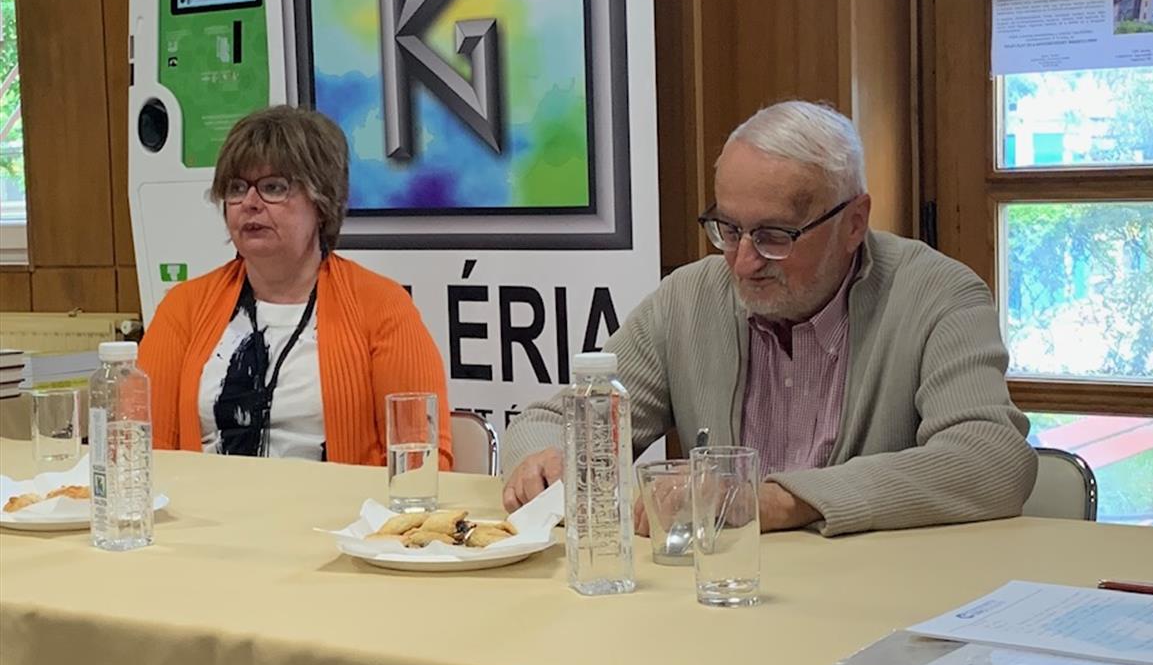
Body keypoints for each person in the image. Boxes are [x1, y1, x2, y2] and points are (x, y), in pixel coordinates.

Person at [503, 101, 1036, 534]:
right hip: (720, 597)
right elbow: (546, 421)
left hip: (872, 602)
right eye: (728, 229)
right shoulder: (689, 299)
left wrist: (778, 501)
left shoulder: (937, 296)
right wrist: (547, 460)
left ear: (854, 223)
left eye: (774, 236)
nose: (743, 262)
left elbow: (992, 460)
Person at [139, 105, 452, 464]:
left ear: (322, 202)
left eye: (273, 187)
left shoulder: (381, 306)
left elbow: (422, 461)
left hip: (340, 502)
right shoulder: (185, 306)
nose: (250, 203)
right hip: (206, 500)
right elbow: (146, 450)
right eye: (237, 188)